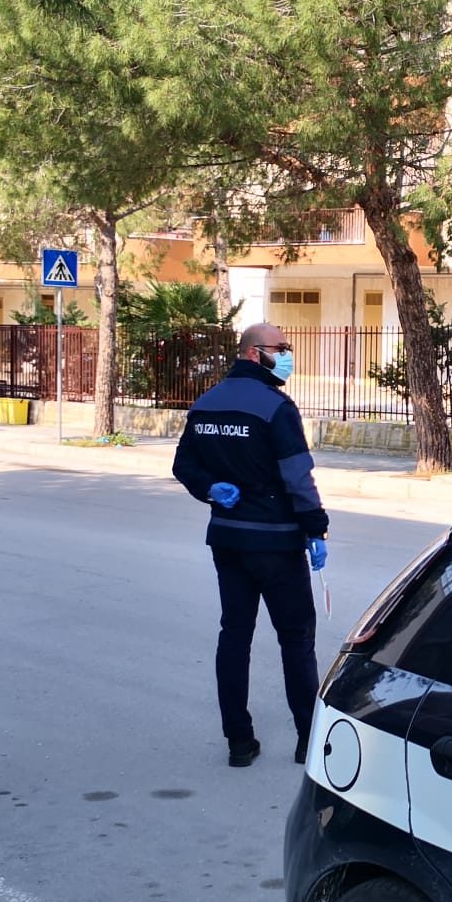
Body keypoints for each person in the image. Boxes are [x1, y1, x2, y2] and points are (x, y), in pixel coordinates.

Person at [172, 323, 329, 767]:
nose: (288, 355)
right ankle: (307, 739)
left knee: (234, 636)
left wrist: (209, 488)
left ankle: (239, 742)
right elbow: (297, 476)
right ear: (255, 353)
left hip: (229, 540)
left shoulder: (206, 404)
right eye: (283, 347)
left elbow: (184, 464)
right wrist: (316, 528)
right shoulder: (275, 407)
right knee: (296, 639)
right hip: (278, 545)